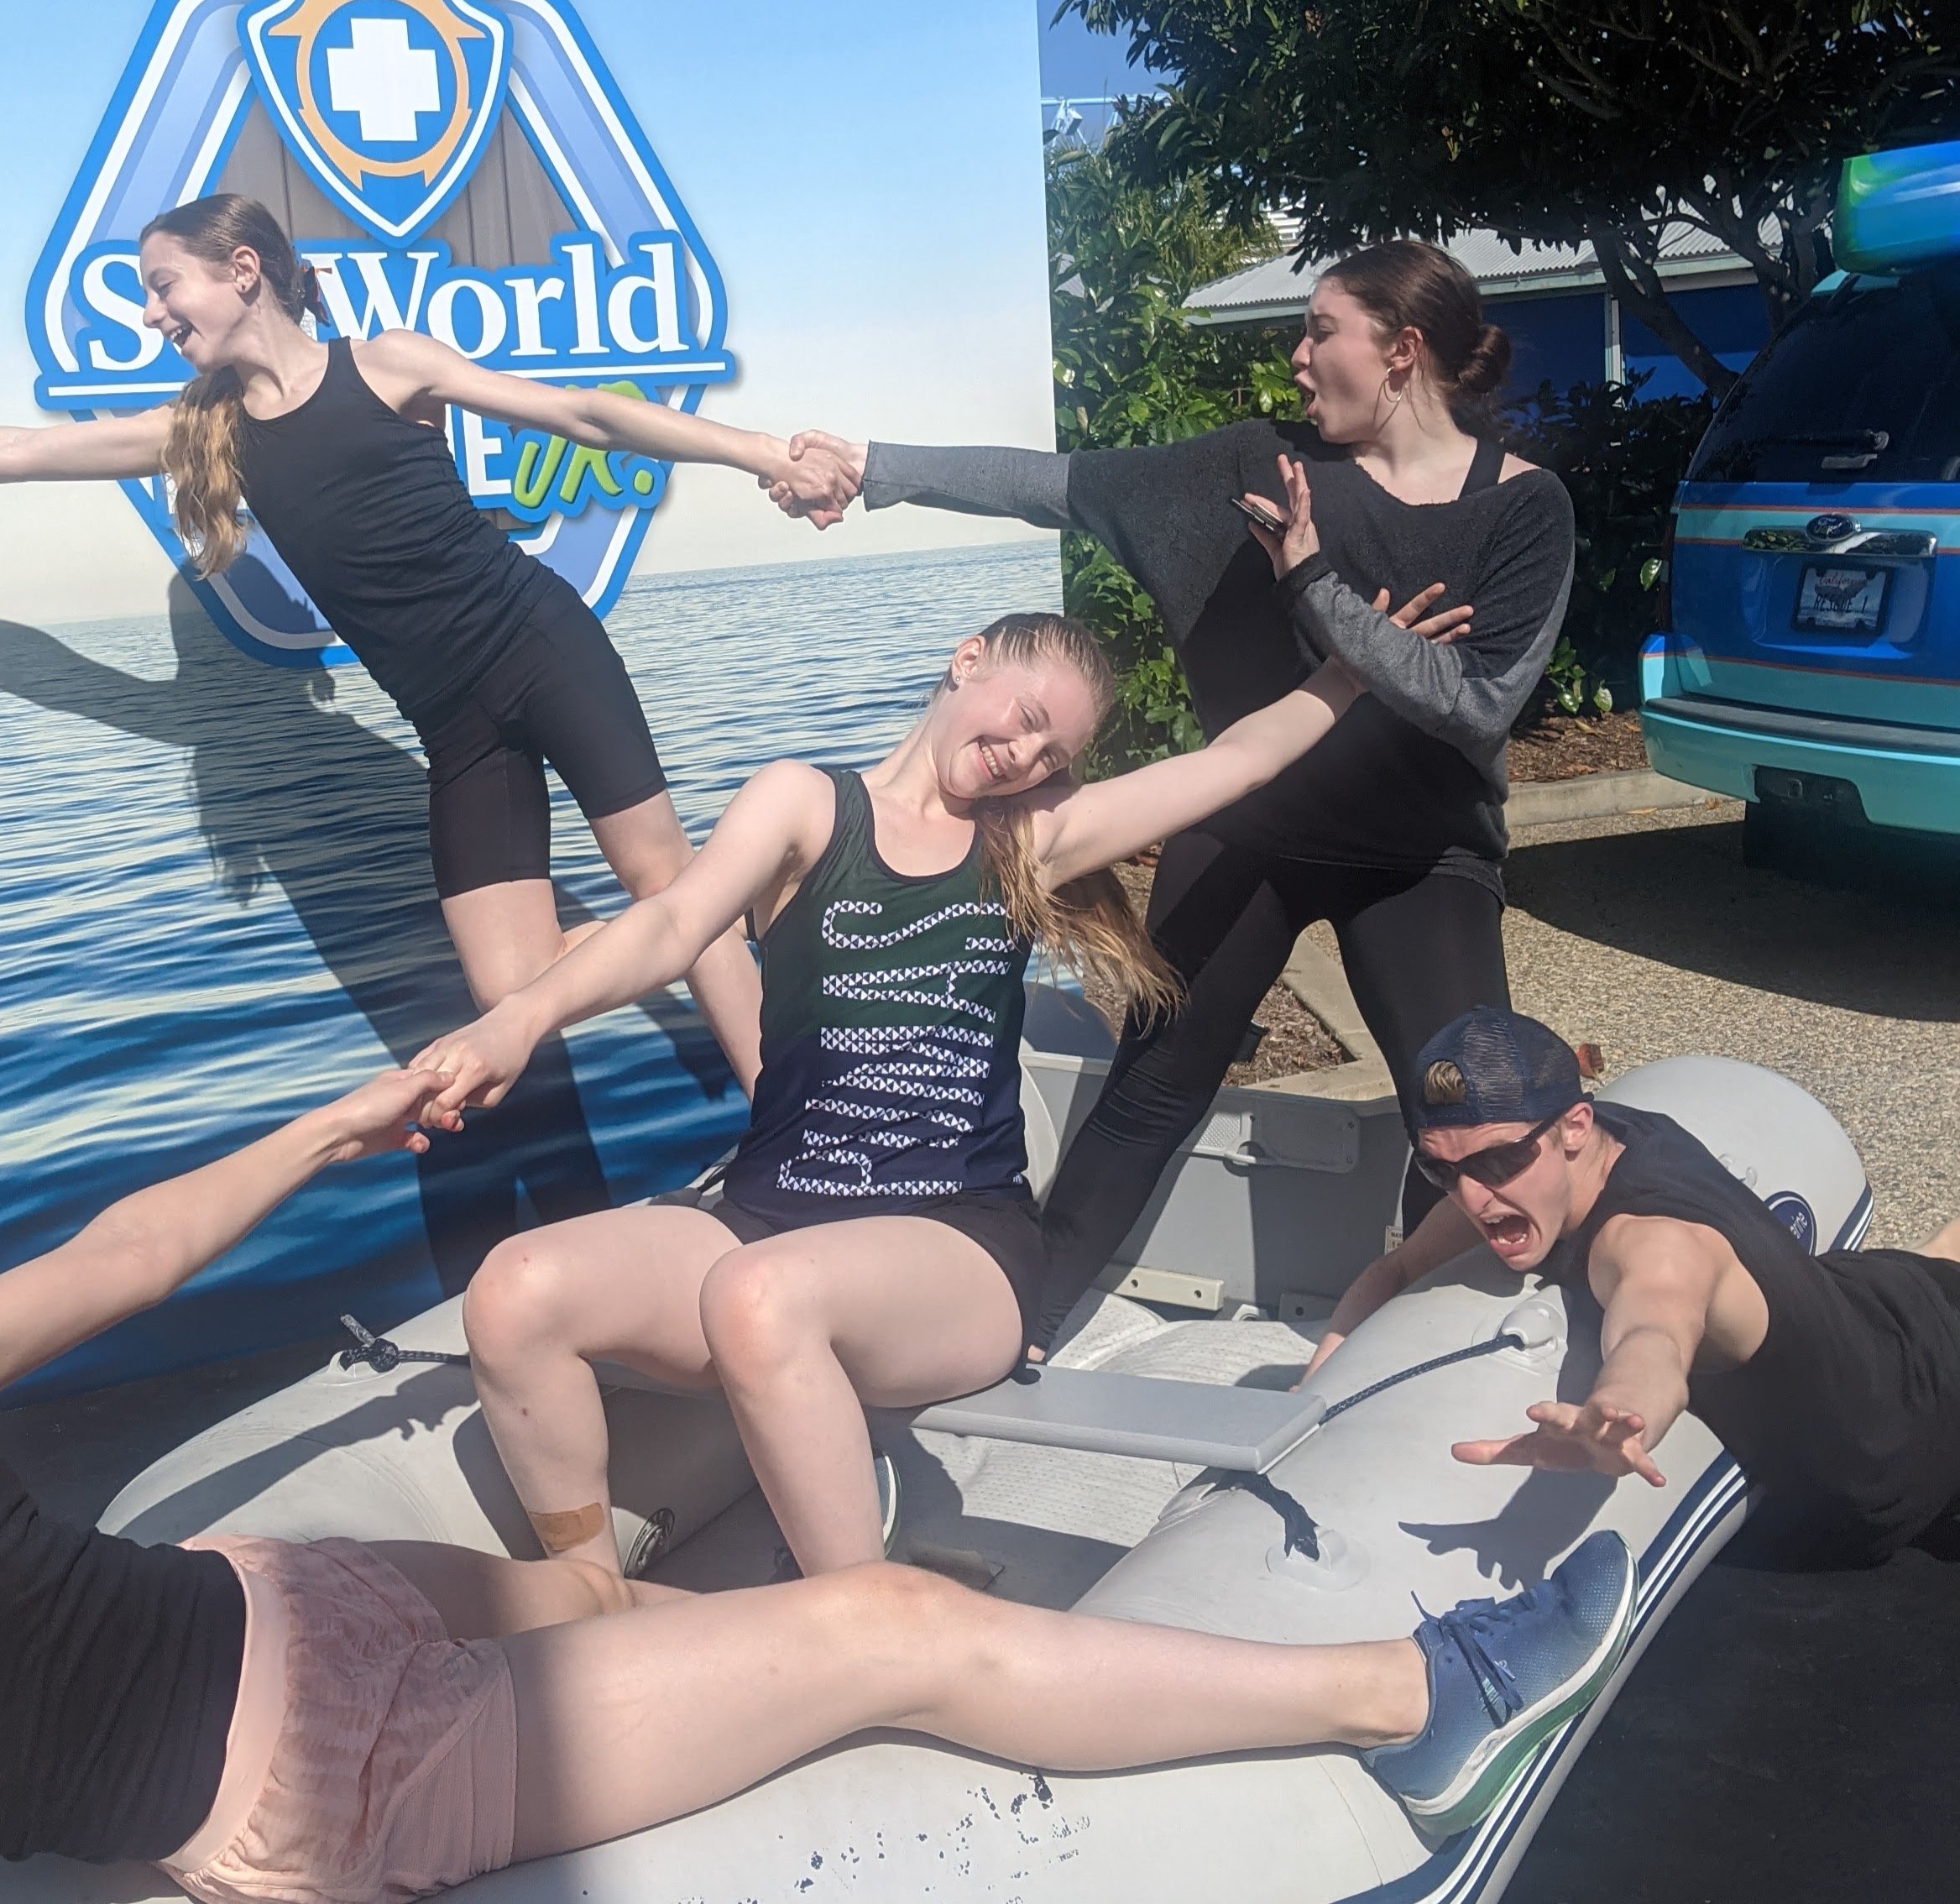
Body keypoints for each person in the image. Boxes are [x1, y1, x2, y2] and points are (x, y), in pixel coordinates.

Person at [0, 1077, 1641, 1899]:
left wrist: (323, 1133)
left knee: (637, 1607)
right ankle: (1409, 1696)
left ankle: (1030, 1655)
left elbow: (111, 1261)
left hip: (282, 1596)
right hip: (303, 1785)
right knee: (879, 1632)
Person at [0, 194, 858, 1087]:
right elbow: (8, 451)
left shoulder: (384, 366)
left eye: (164, 288)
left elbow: (584, 412)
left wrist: (760, 451)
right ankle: (735, 901)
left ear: (241, 272)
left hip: (542, 647)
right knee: (513, 989)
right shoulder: (202, 433)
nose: (153, 315)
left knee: (661, 879)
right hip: (453, 724)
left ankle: (780, 1117)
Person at [415, 609, 1365, 1582]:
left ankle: (857, 1616)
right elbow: (671, 925)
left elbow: (1242, 759)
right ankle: (588, 1596)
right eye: (1027, 714)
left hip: (959, 1247)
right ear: (968, 663)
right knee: (513, 1293)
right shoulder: (802, 804)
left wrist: (1349, 674)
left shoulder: (1031, 840)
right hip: (767, 1216)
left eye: (1054, 750)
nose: (1027, 755)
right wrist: (517, 1021)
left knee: (760, 1297)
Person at [771, 241, 1578, 1357]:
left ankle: (1414, 1354)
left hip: (1420, 852)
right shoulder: (1242, 469)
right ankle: (1022, 1327)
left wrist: (1313, 587)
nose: (1297, 357)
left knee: (1461, 1103)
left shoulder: (1523, 510)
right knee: (1153, 1086)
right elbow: (1051, 485)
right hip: (1251, 830)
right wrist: (872, 467)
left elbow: (1477, 705)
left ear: (1401, 352)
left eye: (1320, 331)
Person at [1307, 1007, 1960, 1568]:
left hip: (1931, 1423)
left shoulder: (1653, 1243)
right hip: (1877, 1303)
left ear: (1576, 1127)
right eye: (1439, 1169)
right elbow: (1396, 1270)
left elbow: (1656, 1334)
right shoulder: (1543, 1156)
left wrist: (1618, 1414)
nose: (1472, 1197)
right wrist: (1307, 1401)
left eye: (1497, 1161)